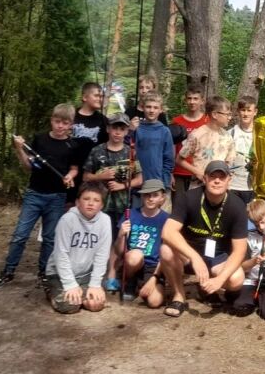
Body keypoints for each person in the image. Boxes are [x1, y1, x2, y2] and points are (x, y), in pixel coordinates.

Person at [0, 104, 80, 289]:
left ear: (71, 124)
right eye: (57, 121)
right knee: (20, 235)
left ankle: (44, 273)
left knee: (49, 238)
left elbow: (74, 168)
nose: (60, 126)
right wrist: (19, 149)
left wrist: (70, 176)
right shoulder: (39, 139)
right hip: (34, 195)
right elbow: (28, 166)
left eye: (65, 123)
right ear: (51, 120)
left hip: (57, 197)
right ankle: (8, 271)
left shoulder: (72, 145)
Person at [160, 160, 248, 315]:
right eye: (213, 176)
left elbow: (240, 250)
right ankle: (179, 296)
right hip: (189, 255)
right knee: (166, 250)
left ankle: (208, 287)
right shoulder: (188, 198)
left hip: (218, 257)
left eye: (222, 177)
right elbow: (167, 232)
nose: (217, 181)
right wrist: (194, 257)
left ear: (229, 180)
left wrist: (220, 279)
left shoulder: (237, 206)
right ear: (205, 178)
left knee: (236, 279)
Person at [83, 113, 143, 294]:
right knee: (100, 239)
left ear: (126, 131)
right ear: (108, 129)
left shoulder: (131, 152)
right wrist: (100, 176)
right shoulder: (97, 151)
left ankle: (113, 275)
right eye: (115, 128)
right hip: (101, 205)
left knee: (120, 239)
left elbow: (140, 179)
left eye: (122, 129)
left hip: (123, 204)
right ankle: (93, 273)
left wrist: (122, 185)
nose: (118, 132)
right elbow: (86, 176)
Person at [44, 183, 112, 314]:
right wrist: (70, 285)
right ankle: (51, 289)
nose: (90, 203)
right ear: (77, 202)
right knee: (69, 305)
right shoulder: (67, 220)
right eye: (86, 199)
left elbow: (102, 255)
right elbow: (61, 254)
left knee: (95, 304)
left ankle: (81, 292)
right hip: (59, 273)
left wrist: (95, 284)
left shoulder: (105, 221)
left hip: (85, 274)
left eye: (96, 200)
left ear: (102, 205)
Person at [116, 179, 175, 307]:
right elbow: (119, 251)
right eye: (147, 195)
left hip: (154, 267)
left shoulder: (167, 219)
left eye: (155, 195)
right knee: (136, 256)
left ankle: (144, 285)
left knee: (154, 302)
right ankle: (130, 282)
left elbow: (166, 253)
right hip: (132, 262)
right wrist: (121, 235)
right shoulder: (131, 214)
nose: (151, 199)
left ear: (162, 198)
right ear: (142, 196)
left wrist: (155, 277)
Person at [176, 95, 236, 187]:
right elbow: (179, 160)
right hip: (198, 187)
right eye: (227, 114)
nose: (229, 117)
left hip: (219, 187)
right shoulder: (197, 134)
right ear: (214, 114)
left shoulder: (228, 137)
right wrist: (197, 172)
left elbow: (229, 163)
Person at [171, 85, 210, 195]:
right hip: (179, 172)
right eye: (189, 98)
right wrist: (170, 172)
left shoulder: (207, 121)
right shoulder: (177, 121)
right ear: (185, 100)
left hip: (200, 172)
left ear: (202, 101)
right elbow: (171, 148)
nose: (192, 102)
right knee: (179, 203)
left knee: (197, 203)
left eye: (195, 98)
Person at [134, 92, 174, 193]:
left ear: (161, 110)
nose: (152, 110)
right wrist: (130, 130)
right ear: (143, 108)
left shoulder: (164, 131)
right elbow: (127, 150)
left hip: (157, 181)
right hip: (137, 182)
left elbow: (168, 159)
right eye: (148, 107)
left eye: (155, 108)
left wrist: (165, 183)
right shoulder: (136, 128)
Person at [228, 96, 257, 207]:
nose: (245, 114)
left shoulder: (260, 134)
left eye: (249, 110)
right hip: (233, 186)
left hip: (253, 187)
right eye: (243, 110)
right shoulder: (230, 133)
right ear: (238, 112)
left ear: (255, 112)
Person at [73, 82, 110, 147]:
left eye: (101, 96)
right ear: (84, 97)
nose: (100, 99)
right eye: (96, 95)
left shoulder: (104, 120)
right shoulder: (70, 115)